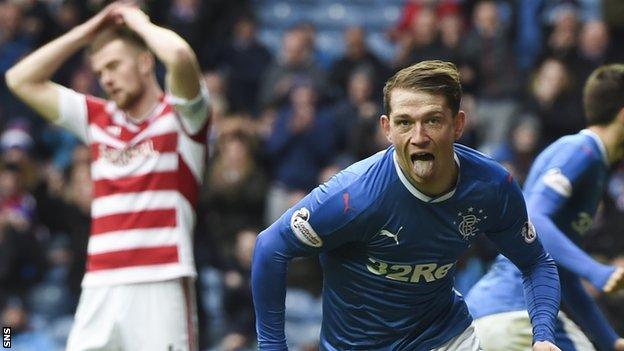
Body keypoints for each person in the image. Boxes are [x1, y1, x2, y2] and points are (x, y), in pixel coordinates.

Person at [252, 60, 562, 351]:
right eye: (404, 122)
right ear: (386, 129)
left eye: (433, 120)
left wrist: (544, 336)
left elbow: (536, 262)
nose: (419, 137)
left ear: (458, 124)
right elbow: (270, 247)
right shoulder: (354, 196)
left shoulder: (491, 187)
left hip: (444, 337)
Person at [5, 3, 210, 350]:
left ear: (145, 62)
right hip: (99, 284)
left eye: (114, 65)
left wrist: (137, 22)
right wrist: (90, 28)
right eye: (100, 72)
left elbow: (178, 55)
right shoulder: (97, 118)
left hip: (161, 280)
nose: (107, 79)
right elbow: (19, 79)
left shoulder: (181, 117)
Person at [466, 65, 624, 351]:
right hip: (517, 315)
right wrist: (597, 271)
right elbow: (534, 220)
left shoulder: (592, 162)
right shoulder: (582, 151)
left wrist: (610, 340)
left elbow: (560, 272)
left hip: (492, 316)